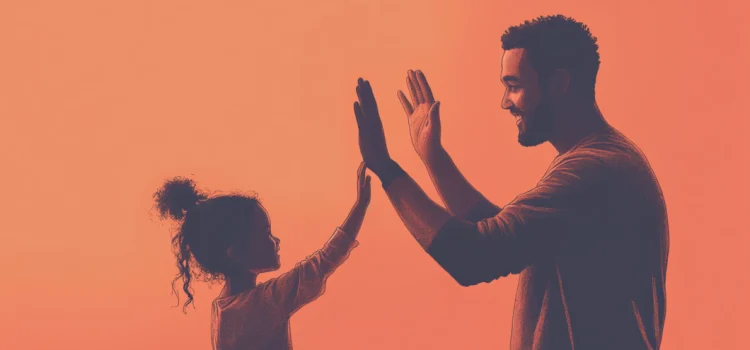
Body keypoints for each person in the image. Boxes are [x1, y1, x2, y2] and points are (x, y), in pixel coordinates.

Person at [352, 14, 669, 350]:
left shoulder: (592, 172)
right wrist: (434, 158)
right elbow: (505, 235)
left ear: (559, 83)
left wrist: (386, 169)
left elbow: (474, 255)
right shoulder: (606, 161)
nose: (505, 102)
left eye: (514, 86)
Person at [153, 162, 372, 350]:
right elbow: (322, 262)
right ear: (236, 252)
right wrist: (361, 205)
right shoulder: (262, 303)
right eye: (265, 233)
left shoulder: (221, 308)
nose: (276, 241)